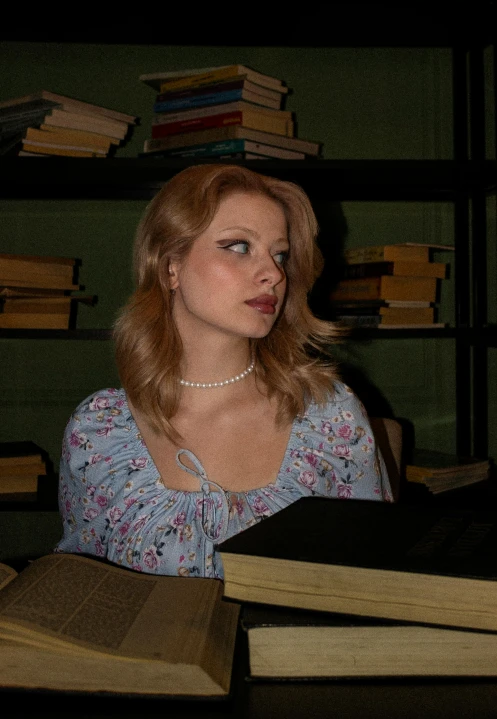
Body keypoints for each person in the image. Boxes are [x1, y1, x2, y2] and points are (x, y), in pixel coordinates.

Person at [56, 163, 393, 578]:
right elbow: (80, 588)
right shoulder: (99, 433)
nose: (273, 273)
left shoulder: (329, 417)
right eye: (238, 246)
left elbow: (376, 579)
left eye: (280, 253)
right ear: (170, 266)